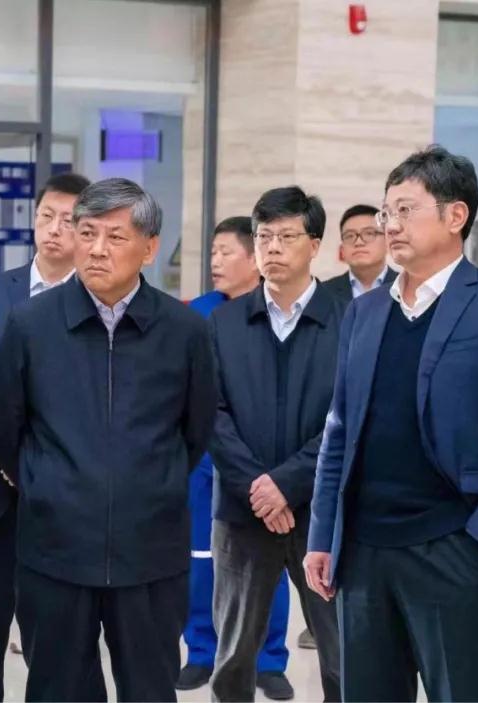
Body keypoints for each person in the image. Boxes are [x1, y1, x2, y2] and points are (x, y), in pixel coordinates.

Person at [305, 145, 478, 702]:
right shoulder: (365, 311)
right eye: (387, 212)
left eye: (405, 210)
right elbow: (339, 431)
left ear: (455, 216)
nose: (389, 225)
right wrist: (323, 534)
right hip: (363, 551)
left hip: (453, 544)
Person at [0, 178, 216, 702]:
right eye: (87, 232)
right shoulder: (30, 324)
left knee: (150, 689)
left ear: (149, 248)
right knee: (57, 690)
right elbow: (3, 424)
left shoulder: (184, 330)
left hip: (150, 552)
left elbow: (197, 428)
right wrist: (45, 484)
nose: (96, 249)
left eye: (115, 237)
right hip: (55, 550)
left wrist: (152, 484)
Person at [0, 172, 92, 703]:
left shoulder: (96, 299)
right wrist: (7, 463)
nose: (54, 229)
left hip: (67, 496)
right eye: (46, 217)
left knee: (55, 629)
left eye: (68, 221)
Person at [207, 187, 342, 703]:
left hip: (322, 513)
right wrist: (257, 487)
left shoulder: (349, 319)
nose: (274, 248)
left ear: (315, 245)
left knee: (341, 650)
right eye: (264, 237)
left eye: (287, 236)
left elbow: (348, 419)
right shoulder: (223, 323)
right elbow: (210, 414)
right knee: (233, 655)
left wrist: (286, 483)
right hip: (242, 512)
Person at [179, 216, 295, 701]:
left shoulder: (277, 313)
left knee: (272, 561)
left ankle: (269, 660)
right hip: (207, 456)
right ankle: (202, 651)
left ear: (254, 258)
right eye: (212, 252)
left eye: (226, 252)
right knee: (202, 558)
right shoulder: (197, 313)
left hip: (264, 464)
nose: (215, 261)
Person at [322, 204, 397, 304]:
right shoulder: (323, 292)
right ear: (342, 249)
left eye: (369, 233)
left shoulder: (407, 286)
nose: (358, 242)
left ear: (387, 242)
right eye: (350, 236)